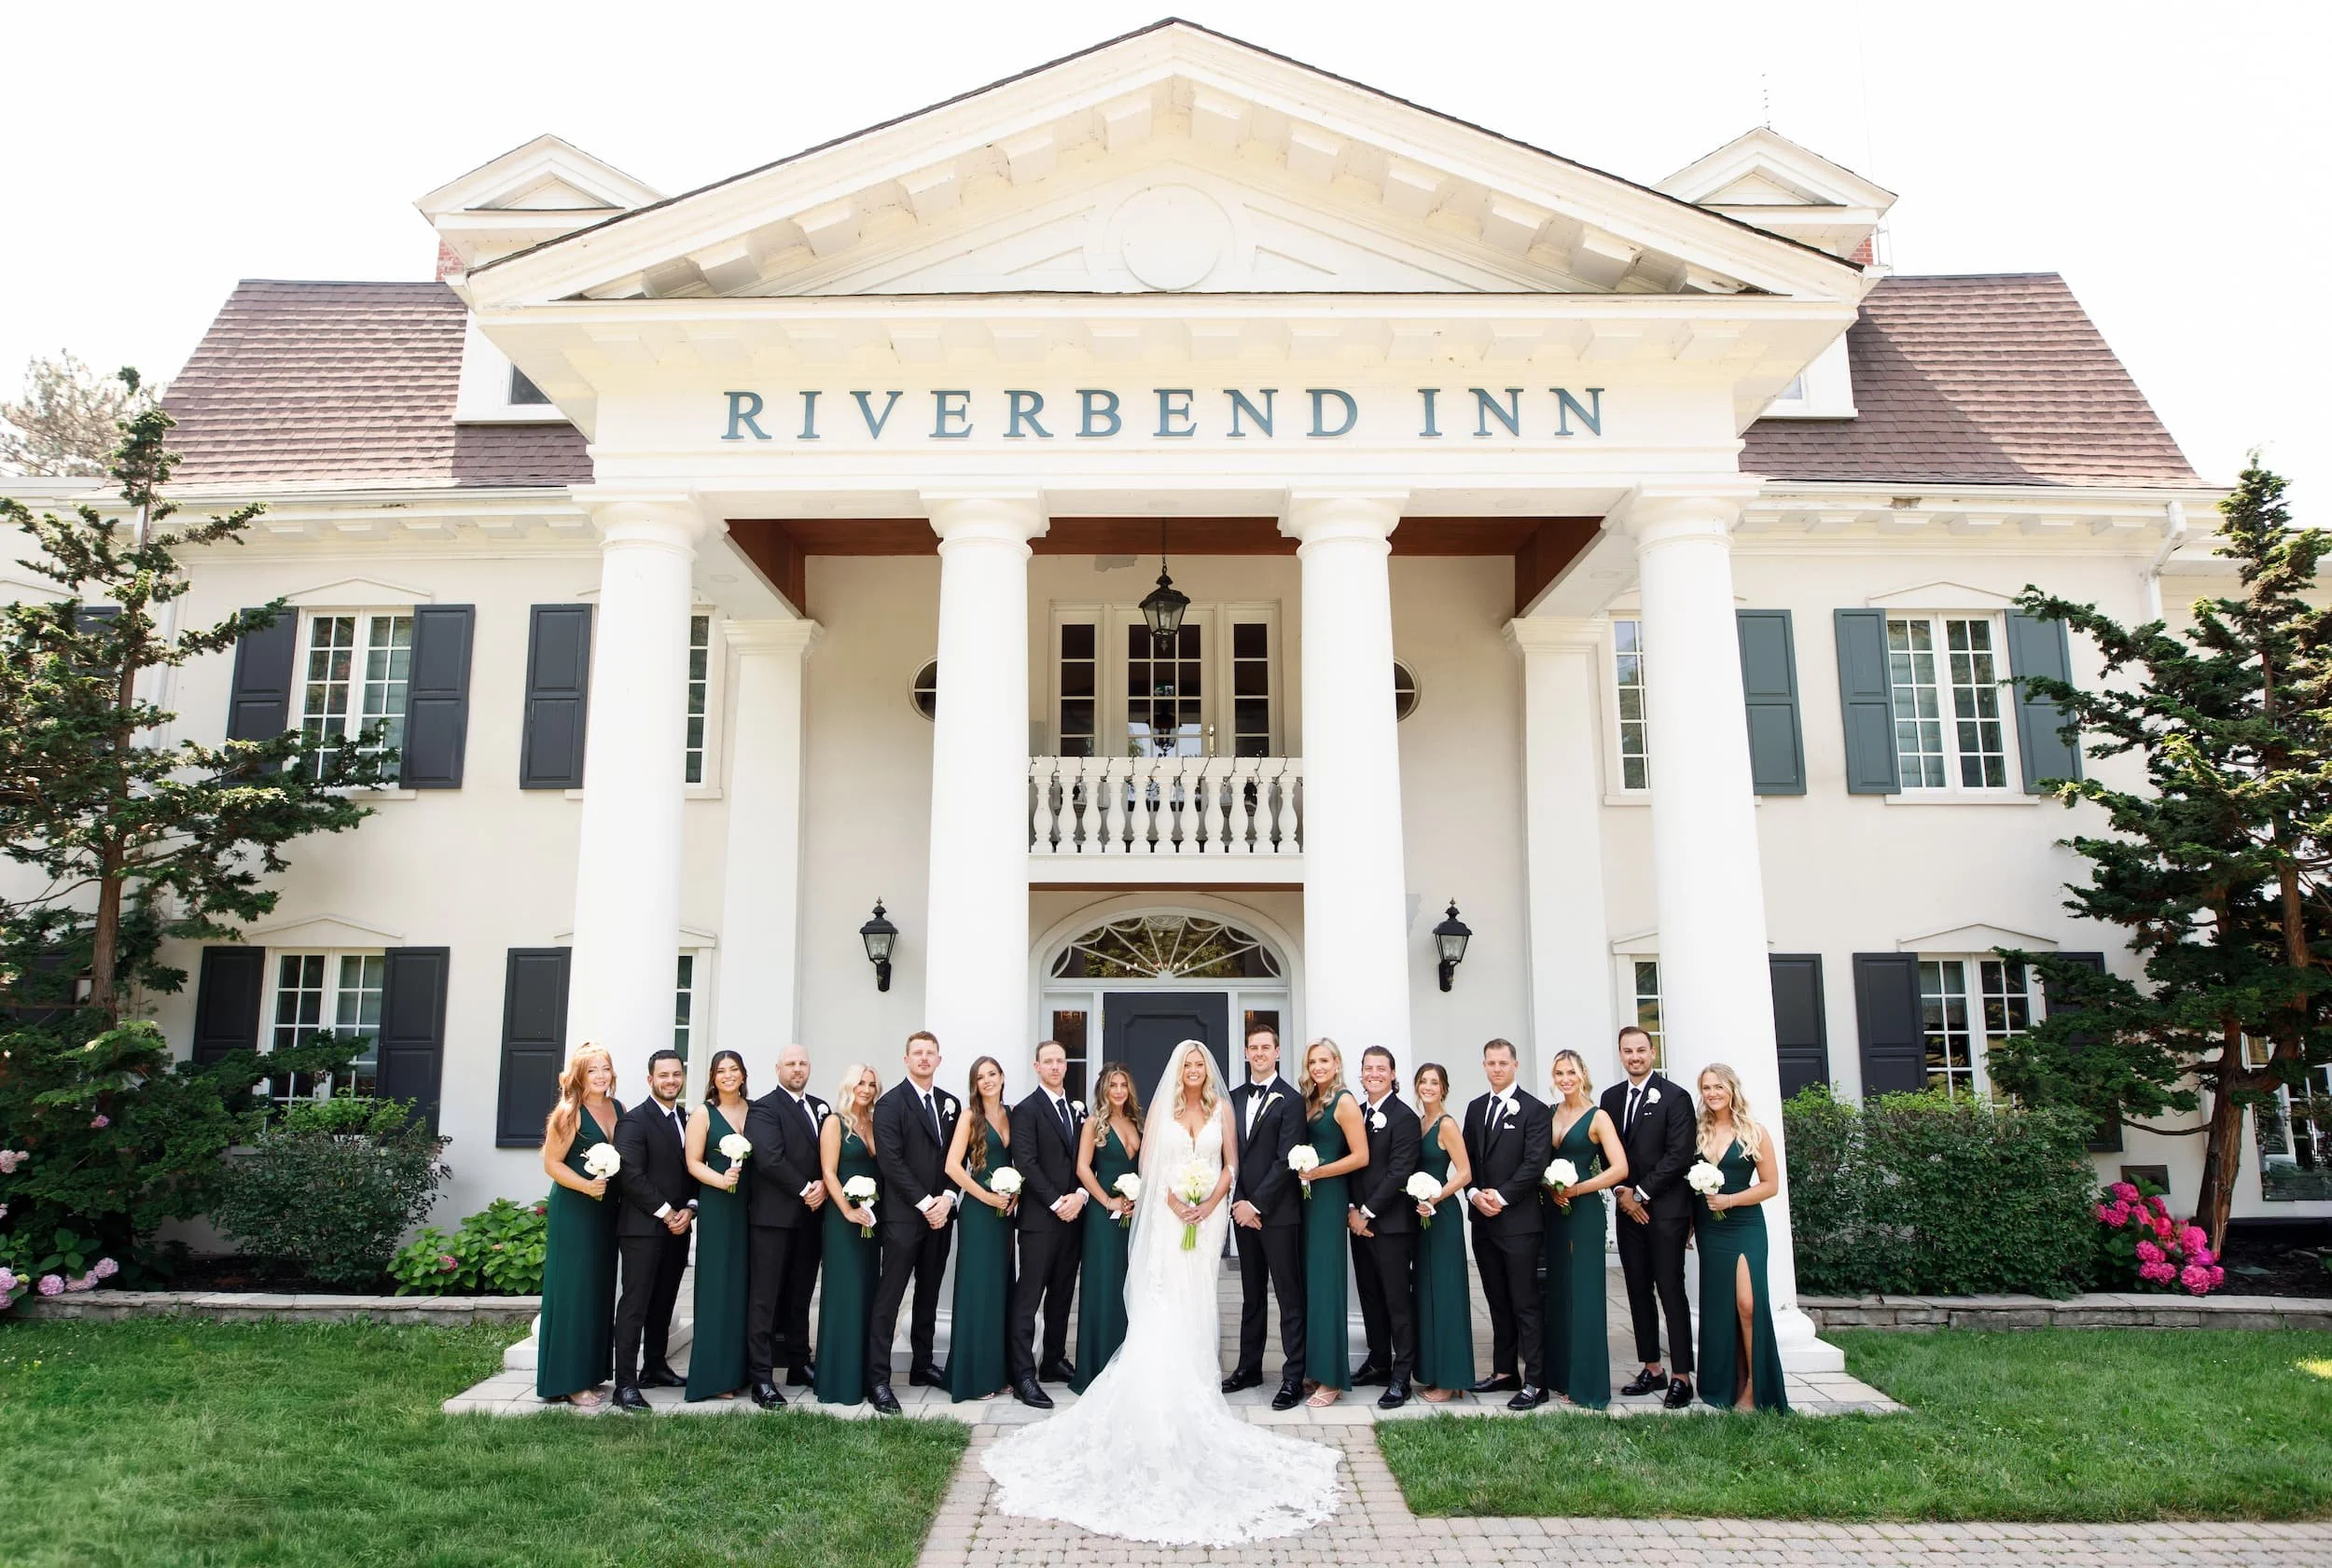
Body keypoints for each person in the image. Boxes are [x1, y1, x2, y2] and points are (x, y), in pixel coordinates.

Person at [980, 1042, 1340, 1547]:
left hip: (1210, 1217)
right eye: (1187, 1065)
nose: (1194, 1070)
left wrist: (1209, 1201)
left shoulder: (1223, 1110)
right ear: (1179, 1072)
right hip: (1171, 1219)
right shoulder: (1162, 1114)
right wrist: (1176, 1202)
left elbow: (1231, 1165)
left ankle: (1199, 1371)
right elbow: (1149, 1168)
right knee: (1166, 1296)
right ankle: (1160, 1379)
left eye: (1200, 1064)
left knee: (1200, 1298)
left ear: (1207, 1071)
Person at [1602, 1025, 1698, 1408]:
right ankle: (1652, 1367)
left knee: (1670, 1290)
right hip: (1628, 1211)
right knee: (1637, 1289)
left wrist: (1640, 1192)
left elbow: (1679, 1155)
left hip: (1667, 1212)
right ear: (1621, 1055)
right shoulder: (1610, 1098)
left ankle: (1681, 1376)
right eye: (1627, 1051)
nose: (1634, 1057)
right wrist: (1621, 1193)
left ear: (1652, 1053)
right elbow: (1607, 1155)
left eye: (1641, 1050)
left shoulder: (1676, 1098)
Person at [867, 1031, 958, 1414]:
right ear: (906, 1059)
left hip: (941, 1216)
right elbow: (891, 1162)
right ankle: (878, 1379)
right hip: (903, 1217)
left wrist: (948, 1198)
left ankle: (922, 1366)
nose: (924, 1059)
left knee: (929, 1294)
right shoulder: (890, 1105)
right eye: (917, 1053)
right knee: (890, 1298)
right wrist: (925, 1203)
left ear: (939, 1060)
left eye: (930, 1053)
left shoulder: (949, 1103)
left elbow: (959, 1157)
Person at [1461, 1036, 1553, 1409]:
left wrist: (1499, 1197)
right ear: (1483, 1066)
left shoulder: (1534, 1110)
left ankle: (1536, 1381)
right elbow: (1465, 1160)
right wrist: (1473, 1195)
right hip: (1482, 1221)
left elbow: (1535, 1163)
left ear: (1515, 1065)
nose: (1496, 1069)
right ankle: (1504, 1372)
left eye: (1503, 1063)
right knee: (1497, 1299)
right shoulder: (1475, 1107)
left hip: (1518, 1222)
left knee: (1525, 1302)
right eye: (1490, 1063)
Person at [1692, 1062, 1789, 1412]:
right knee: (1719, 1307)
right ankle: (1722, 1385)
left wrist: (1731, 1199)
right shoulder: (1698, 1133)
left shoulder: (1754, 1132)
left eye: (1718, 1087)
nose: (1713, 1093)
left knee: (1748, 1304)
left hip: (1745, 1224)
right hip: (1709, 1227)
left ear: (1732, 1089)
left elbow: (1771, 1185)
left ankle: (1754, 1387)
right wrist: (1690, 1224)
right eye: (1706, 1088)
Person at [1224, 1024, 1308, 1412]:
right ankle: (1249, 1367)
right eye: (1253, 1047)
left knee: (1289, 1296)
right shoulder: (1234, 1097)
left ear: (1277, 1052)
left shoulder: (1292, 1100)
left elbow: (1286, 1159)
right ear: (1245, 1053)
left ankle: (1293, 1378)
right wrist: (1238, 1201)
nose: (1258, 1053)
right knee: (1251, 1295)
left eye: (1265, 1047)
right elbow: (1230, 1157)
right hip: (1243, 1212)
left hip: (1278, 1214)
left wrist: (1256, 1204)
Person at [1542, 1048, 1630, 1410]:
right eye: (1559, 1073)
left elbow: (1619, 1168)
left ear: (1583, 1074)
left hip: (1585, 1210)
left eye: (1571, 1072)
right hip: (1555, 1208)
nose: (1565, 1079)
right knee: (1560, 1292)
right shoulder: (1551, 1113)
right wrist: (1551, 1187)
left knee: (1586, 1294)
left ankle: (1589, 1384)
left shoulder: (1598, 1117)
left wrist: (1579, 1188)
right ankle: (1562, 1376)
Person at [743, 1043, 828, 1406]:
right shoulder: (763, 1108)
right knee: (765, 1299)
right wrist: (807, 1188)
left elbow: (827, 1153)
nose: (797, 1069)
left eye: (803, 1063)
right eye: (791, 1064)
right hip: (773, 1220)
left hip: (811, 1218)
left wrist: (826, 1183)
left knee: (800, 1296)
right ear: (777, 1068)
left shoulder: (820, 1107)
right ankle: (761, 1377)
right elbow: (770, 1158)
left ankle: (798, 1363)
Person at [611, 1049, 696, 1411]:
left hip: (679, 1228)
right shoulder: (634, 1122)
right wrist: (666, 1212)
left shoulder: (687, 1119)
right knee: (635, 1304)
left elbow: (694, 1168)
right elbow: (630, 1174)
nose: (671, 1081)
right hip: (643, 1229)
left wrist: (690, 1209)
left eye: (676, 1075)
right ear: (650, 1080)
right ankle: (625, 1385)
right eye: (664, 1075)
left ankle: (656, 1367)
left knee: (664, 1301)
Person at [535, 1043, 620, 1407]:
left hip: (605, 1209)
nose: (600, 1076)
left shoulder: (616, 1108)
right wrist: (586, 1185)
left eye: (605, 1069)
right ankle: (568, 1380)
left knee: (597, 1289)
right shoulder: (568, 1113)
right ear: (579, 1075)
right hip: (576, 1208)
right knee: (574, 1290)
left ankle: (590, 1371)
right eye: (593, 1070)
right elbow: (552, 1163)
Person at [1006, 1039, 1085, 1408]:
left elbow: (1087, 1160)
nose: (1055, 1067)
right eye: (1048, 1061)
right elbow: (1026, 1162)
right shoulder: (1025, 1110)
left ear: (1066, 1066)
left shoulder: (1077, 1109)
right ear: (1036, 1067)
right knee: (1029, 1297)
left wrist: (1079, 1197)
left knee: (1062, 1295)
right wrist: (1056, 1201)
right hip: (1040, 1220)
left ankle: (1053, 1359)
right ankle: (1023, 1374)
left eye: (1060, 1061)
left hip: (1074, 1218)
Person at [1347, 1046, 1423, 1409]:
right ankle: (1378, 1362)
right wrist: (1351, 1210)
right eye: (1368, 1068)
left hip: (1390, 1225)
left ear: (1393, 1074)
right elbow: (1350, 1165)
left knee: (1397, 1302)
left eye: (1381, 1069)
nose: (1374, 1074)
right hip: (1358, 1224)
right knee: (1370, 1298)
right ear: (1361, 1074)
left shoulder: (1404, 1117)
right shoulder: (1356, 1114)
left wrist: (1366, 1211)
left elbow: (1398, 1172)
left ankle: (1400, 1377)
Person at [1298, 1038, 1370, 1408]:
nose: (1318, 1067)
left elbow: (1360, 1156)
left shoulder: (1344, 1102)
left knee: (1327, 1285)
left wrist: (1320, 1171)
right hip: (1307, 1200)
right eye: (1312, 1061)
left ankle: (1333, 1377)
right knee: (1311, 1285)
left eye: (1324, 1060)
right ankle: (1315, 1367)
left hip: (1328, 1198)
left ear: (1337, 1062)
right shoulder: (1311, 1100)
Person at [944, 1055, 1016, 1403]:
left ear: (1002, 1077)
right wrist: (987, 1197)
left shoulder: (1011, 1114)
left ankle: (998, 1372)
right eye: (980, 1076)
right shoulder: (970, 1116)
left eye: (992, 1074)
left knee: (1000, 1290)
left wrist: (1014, 1194)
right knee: (978, 1291)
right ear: (974, 1084)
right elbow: (953, 1167)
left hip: (1006, 1213)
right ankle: (974, 1376)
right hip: (979, 1211)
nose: (987, 1080)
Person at [683, 1049, 753, 1401]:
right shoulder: (703, 1114)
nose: (728, 1076)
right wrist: (720, 1181)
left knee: (743, 1288)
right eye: (721, 1071)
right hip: (719, 1206)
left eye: (734, 1070)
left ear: (743, 1075)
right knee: (717, 1286)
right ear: (712, 1077)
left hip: (750, 1207)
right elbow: (692, 1162)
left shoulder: (754, 1110)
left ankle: (739, 1370)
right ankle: (713, 1376)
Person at [814, 1062, 883, 1407]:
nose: (867, 1089)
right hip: (844, 1221)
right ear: (849, 1085)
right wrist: (848, 1211)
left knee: (868, 1294)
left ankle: (866, 1375)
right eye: (861, 1083)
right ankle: (839, 1380)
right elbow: (828, 1172)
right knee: (846, 1294)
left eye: (872, 1084)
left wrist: (868, 1213)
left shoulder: (876, 1122)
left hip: (872, 1220)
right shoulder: (835, 1122)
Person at [1073, 1061, 1142, 1394]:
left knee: (1131, 1284)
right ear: (1103, 1089)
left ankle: (1130, 1361)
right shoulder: (1092, 1124)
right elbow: (1083, 1169)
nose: (1118, 1091)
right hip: (1104, 1218)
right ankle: (1097, 1364)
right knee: (1104, 1285)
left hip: (1134, 1217)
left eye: (1123, 1085)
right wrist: (1108, 1201)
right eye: (1112, 1085)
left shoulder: (1136, 1122)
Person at [1409, 1062, 1475, 1402]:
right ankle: (1433, 1371)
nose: (1428, 1087)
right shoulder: (1420, 1123)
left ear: (1444, 1088)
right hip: (1422, 1215)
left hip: (1443, 1214)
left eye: (1434, 1082)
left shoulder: (1447, 1124)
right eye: (1423, 1081)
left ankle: (1452, 1379)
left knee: (1446, 1293)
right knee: (1427, 1292)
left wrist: (1437, 1196)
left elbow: (1464, 1172)